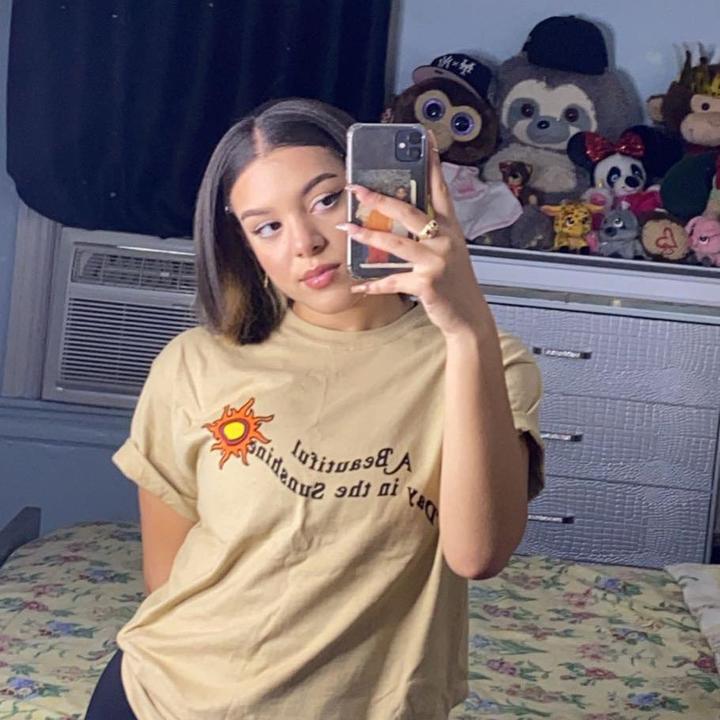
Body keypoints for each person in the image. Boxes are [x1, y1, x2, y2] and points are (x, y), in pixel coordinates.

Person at [86, 97, 544, 720]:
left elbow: (478, 555)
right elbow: (166, 576)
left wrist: (467, 328)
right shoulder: (194, 362)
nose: (305, 242)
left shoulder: (486, 360)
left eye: (326, 200)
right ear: (245, 246)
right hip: (161, 698)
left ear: (384, 191)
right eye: (266, 227)